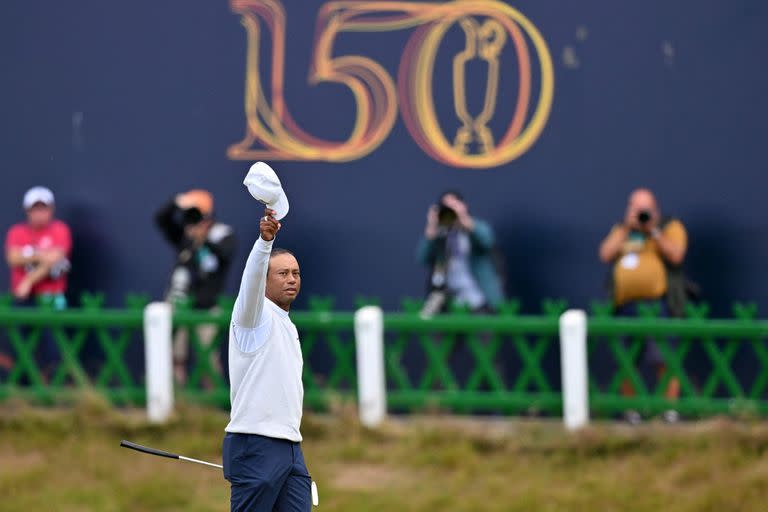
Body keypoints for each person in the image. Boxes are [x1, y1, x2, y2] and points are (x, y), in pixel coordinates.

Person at [222, 207, 312, 511]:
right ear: (264, 280)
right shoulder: (253, 316)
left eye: (296, 273)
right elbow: (250, 279)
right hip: (255, 443)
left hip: (290, 446)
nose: (291, 279)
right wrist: (264, 243)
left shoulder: (286, 322)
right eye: (282, 273)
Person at [599, 188, 688, 422]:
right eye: (635, 208)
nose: (640, 213)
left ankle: (669, 409)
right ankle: (632, 410)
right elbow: (605, 253)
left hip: (658, 305)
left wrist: (654, 231)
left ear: (655, 209)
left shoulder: (669, 226)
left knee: (663, 357)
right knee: (627, 359)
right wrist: (628, 228)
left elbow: (676, 255)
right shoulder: (622, 230)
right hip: (626, 306)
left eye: (644, 209)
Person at [155, 189, 236, 385]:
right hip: (179, 302)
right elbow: (161, 219)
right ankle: (179, 403)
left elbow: (225, 254)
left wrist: (204, 239)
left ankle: (213, 404)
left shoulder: (222, 234)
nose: (195, 220)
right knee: (176, 356)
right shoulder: (185, 236)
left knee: (208, 359)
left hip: (207, 305)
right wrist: (178, 202)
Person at [417, 191, 504, 317]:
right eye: (446, 207)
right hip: (446, 304)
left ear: (464, 206)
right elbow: (422, 258)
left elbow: (487, 241)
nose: (450, 211)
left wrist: (464, 219)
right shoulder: (439, 236)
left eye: (454, 206)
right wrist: (432, 228)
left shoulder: (474, 228)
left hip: (478, 301)